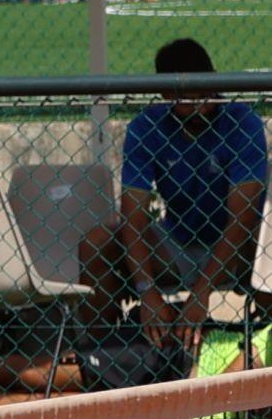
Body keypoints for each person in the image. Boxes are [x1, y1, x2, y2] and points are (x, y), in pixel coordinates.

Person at [80, 37, 265, 349]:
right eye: (187, 97)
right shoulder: (146, 127)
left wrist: (202, 291)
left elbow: (243, 219)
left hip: (241, 249)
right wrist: (146, 290)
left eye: (205, 93)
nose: (200, 104)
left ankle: (264, 354)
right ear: (165, 93)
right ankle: (100, 357)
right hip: (176, 242)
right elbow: (134, 218)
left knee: (269, 242)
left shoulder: (242, 122)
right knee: (97, 244)